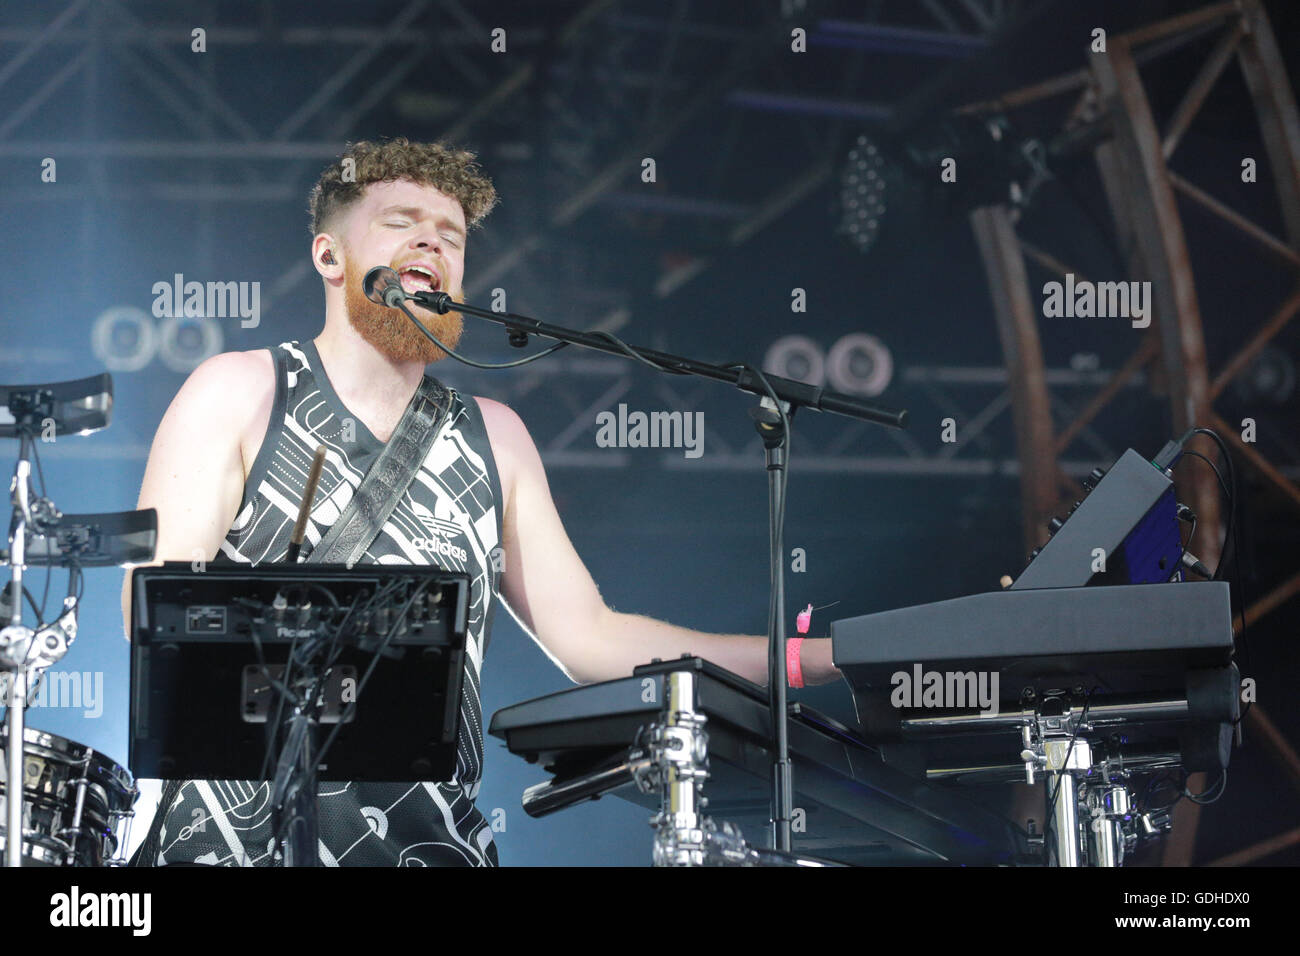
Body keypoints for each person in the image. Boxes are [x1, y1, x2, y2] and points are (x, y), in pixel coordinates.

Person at [122, 137, 839, 866]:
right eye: (402, 221)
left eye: (452, 237)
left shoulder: (497, 437)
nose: (432, 240)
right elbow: (151, 608)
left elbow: (592, 639)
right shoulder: (242, 389)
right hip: (231, 842)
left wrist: (802, 660)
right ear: (330, 257)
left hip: (430, 847)